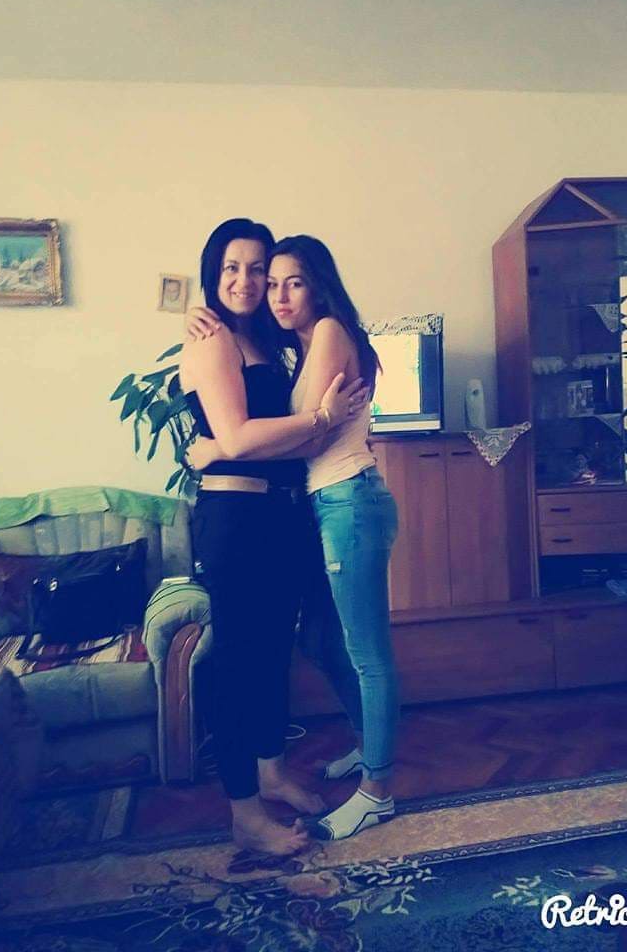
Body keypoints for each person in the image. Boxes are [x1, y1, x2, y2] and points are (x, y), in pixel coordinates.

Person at [186, 234, 400, 841]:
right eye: (242, 271)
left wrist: (217, 448)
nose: (265, 289)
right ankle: (259, 799)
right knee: (297, 648)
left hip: (331, 502)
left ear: (317, 286)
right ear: (214, 274)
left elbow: (294, 439)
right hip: (265, 515)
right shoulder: (240, 339)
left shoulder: (314, 334)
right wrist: (230, 441)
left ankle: (373, 782)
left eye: (283, 279)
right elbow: (258, 430)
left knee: (346, 650)